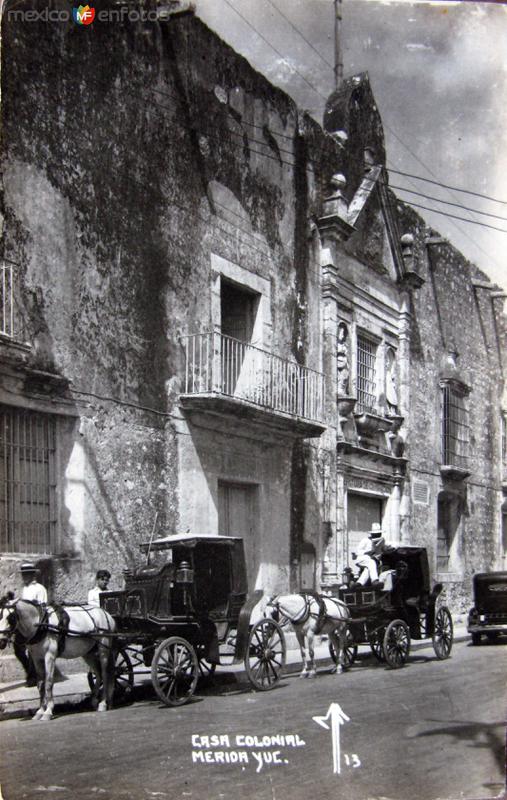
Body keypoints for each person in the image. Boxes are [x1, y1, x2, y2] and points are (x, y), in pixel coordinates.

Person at [14, 562, 48, 686]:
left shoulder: (40, 588)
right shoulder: (24, 589)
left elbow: (43, 607)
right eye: (23, 575)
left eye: (27, 574)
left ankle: (33, 676)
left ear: (33, 575)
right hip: (24, 627)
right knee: (18, 649)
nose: (24, 577)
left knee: (32, 650)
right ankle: (30, 672)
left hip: (36, 626)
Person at [353, 523, 391, 588]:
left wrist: (386, 549)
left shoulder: (382, 540)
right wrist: (368, 552)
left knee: (369, 568)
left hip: (372, 561)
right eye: (376, 534)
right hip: (362, 558)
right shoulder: (365, 540)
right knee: (371, 563)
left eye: (379, 534)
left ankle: (359, 583)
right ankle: (374, 580)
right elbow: (357, 552)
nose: (377, 535)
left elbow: (383, 550)